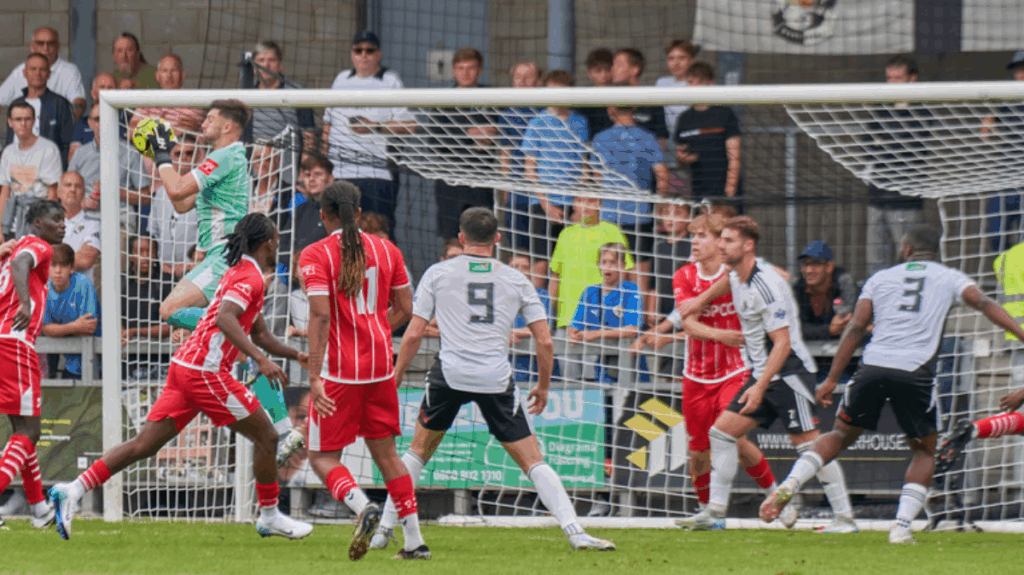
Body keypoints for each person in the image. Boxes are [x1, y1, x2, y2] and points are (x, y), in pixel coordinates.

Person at [49, 213, 312, 541]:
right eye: (276, 239)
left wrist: (295, 355)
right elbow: (226, 318)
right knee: (268, 437)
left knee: (144, 444)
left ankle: (72, 489)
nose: (278, 244)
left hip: (185, 366)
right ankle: (270, 515)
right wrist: (260, 360)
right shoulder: (250, 278)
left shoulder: (242, 272)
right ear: (268, 243)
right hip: (206, 372)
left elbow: (259, 333)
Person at [370, 207, 615, 552]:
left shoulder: (438, 273)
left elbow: (412, 334)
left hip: (450, 374)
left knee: (417, 452)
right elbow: (545, 341)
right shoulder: (516, 279)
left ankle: (383, 531)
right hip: (494, 377)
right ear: (497, 239)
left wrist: (394, 377)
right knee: (533, 460)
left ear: (462, 238)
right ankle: (576, 532)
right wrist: (543, 386)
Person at [759, 225, 1024, 544]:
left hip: (872, 367)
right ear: (936, 250)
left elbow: (855, 328)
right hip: (915, 371)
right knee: (924, 451)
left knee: (839, 435)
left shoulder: (880, 278)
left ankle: (790, 483)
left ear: (906, 248)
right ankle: (901, 526)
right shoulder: (950, 277)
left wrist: (830, 378)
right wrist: (1021, 333)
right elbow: (984, 303)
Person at [678, 216, 855, 532]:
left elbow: (782, 344)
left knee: (811, 448)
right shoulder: (738, 274)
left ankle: (844, 518)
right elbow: (727, 281)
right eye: (721, 239)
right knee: (721, 434)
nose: (721, 245)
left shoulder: (766, 285)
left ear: (748, 246)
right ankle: (714, 513)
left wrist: (759, 386)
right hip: (763, 374)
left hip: (789, 374)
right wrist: (699, 301)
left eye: (728, 240)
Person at [298, 181, 428, 560]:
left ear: (323, 216)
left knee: (322, 457)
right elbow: (406, 308)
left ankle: (362, 506)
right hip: (380, 368)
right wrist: (376, 327)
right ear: (357, 213)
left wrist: (314, 376)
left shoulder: (315, 253)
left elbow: (320, 315)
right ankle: (415, 542)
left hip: (339, 373)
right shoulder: (388, 249)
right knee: (388, 456)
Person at [150, 99, 251, 327]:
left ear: (227, 127)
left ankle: (239, 328)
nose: (203, 124)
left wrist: (161, 154)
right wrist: (161, 157)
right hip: (221, 254)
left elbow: (177, 190)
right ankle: (236, 340)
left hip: (224, 255)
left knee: (169, 309)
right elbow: (182, 204)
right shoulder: (228, 157)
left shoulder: (225, 156)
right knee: (185, 313)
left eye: (210, 119)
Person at [0, 200, 65, 529]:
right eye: (56, 219)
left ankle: (39, 509)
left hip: (3, 341)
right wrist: (25, 302)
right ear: (37, 223)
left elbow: (13, 263)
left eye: (64, 219)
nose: (63, 224)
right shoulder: (37, 246)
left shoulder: (9, 252)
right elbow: (21, 263)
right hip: (15, 344)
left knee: (22, 431)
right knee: (31, 431)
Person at [323, 32, 416, 236]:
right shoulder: (341, 79)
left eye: (369, 50)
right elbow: (327, 124)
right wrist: (326, 165)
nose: (364, 55)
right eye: (359, 50)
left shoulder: (390, 80)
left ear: (378, 54)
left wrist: (375, 127)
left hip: (376, 173)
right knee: (341, 231)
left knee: (378, 231)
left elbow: (409, 125)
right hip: (341, 173)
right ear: (352, 54)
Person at [592, 104, 671, 305]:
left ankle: (610, 317)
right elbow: (663, 175)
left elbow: (596, 178)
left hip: (609, 215)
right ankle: (638, 319)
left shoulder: (601, 139)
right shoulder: (647, 137)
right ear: (634, 107)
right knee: (639, 273)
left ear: (611, 109)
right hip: (640, 214)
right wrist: (659, 206)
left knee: (609, 269)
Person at [522, 70, 589, 278]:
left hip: (571, 203)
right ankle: (538, 300)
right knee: (541, 262)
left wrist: (579, 204)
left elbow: (584, 165)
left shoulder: (580, 123)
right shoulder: (537, 123)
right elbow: (529, 169)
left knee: (568, 264)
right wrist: (546, 205)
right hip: (543, 203)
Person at [864, 55, 927, 275]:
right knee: (876, 260)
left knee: (908, 259)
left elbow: (913, 146)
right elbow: (867, 143)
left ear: (912, 78)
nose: (892, 83)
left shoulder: (921, 110)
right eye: (889, 78)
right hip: (877, 195)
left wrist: (885, 143)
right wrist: (887, 145)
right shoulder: (881, 107)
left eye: (898, 78)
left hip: (905, 198)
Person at [432, 47, 499, 240]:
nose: (466, 73)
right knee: (453, 239)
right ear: (454, 71)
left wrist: (493, 133)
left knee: (481, 238)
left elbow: (504, 129)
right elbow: (435, 140)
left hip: (482, 180)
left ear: (480, 70)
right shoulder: (442, 102)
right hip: (450, 181)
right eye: (461, 68)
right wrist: (468, 134)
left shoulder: (494, 97)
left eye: (471, 68)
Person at [548, 195, 633, 348]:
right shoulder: (565, 234)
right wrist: (547, 312)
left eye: (591, 201)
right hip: (567, 317)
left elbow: (624, 274)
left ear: (600, 204)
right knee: (565, 363)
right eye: (580, 201)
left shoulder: (612, 232)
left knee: (594, 363)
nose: (585, 205)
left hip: (599, 319)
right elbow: (556, 276)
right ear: (574, 204)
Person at [66, 102, 152, 228]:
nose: (102, 124)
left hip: (120, 220)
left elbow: (145, 198)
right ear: (90, 123)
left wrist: (113, 191)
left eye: (107, 118)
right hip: (85, 218)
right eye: (97, 119)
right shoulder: (80, 153)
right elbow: (65, 193)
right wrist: (83, 203)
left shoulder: (131, 153)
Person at [673, 63, 742, 208]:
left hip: (723, 190)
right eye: (688, 82)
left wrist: (730, 191)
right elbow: (680, 156)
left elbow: (734, 157)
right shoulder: (685, 118)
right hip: (698, 190)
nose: (690, 86)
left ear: (709, 83)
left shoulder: (724, 113)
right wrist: (683, 158)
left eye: (694, 82)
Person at [0, 101, 61, 241]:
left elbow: (53, 194)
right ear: (10, 122)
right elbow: (5, 193)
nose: (23, 124)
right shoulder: (8, 152)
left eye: (27, 119)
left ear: (34, 121)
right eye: (18, 119)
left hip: (38, 223)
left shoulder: (48, 149)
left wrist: (44, 230)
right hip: (11, 223)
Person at [4, 52, 75, 171]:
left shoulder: (60, 104)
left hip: (48, 173)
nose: (37, 73)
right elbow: (9, 142)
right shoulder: (15, 104)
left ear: (49, 74)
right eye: (33, 69)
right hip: (16, 172)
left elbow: (67, 144)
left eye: (42, 69)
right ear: (24, 73)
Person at [0, 27, 86, 121]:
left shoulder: (69, 71)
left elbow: (79, 102)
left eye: (50, 43)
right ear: (32, 47)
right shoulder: (20, 71)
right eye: (40, 43)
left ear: (58, 47)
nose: (45, 48)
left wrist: (65, 125)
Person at [41, 243, 100, 379]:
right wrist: (75, 326)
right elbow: (45, 329)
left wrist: (57, 330)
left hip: (98, 359)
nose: (58, 271)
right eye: (53, 265)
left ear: (72, 268)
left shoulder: (84, 284)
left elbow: (88, 329)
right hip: (71, 363)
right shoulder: (44, 288)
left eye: (63, 265)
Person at [148, 139, 199, 279]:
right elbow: (154, 231)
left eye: (189, 153)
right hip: (165, 270)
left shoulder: (204, 191)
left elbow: (207, 233)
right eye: (178, 153)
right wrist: (160, 262)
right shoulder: (161, 192)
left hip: (194, 269)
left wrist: (188, 262)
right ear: (171, 157)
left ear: (197, 156)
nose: (184, 157)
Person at [792, 241, 857, 341]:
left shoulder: (844, 284)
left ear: (829, 267)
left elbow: (853, 323)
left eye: (816, 264)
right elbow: (793, 328)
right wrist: (828, 330)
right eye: (805, 264)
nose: (808, 270)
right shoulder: (798, 287)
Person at [128, 54, 206, 135]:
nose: (169, 76)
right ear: (157, 76)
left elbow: (186, 132)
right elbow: (131, 131)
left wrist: (149, 129)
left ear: (183, 74)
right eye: (164, 71)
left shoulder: (193, 102)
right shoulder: (147, 100)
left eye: (174, 70)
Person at [611, 48, 668, 143]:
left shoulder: (653, 101)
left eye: (619, 64)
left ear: (635, 70)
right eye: (613, 64)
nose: (613, 68)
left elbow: (661, 141)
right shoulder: (608, 99)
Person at [55, 171, 100, 281]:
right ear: (58, 192)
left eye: (78, 186)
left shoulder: (94, 225)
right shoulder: (48, 224)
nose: (73, 189)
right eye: (68, 185)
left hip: (80, 290)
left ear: (84, 193)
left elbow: (85, 260)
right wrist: (73, 256)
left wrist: (48, 259)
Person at [290, 155, 334, 254]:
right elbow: (285, 242)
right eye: (307, 175)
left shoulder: (338, 209)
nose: (311, 179)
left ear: (330, 179)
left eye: (318, 174)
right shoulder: (300, 210)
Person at [655, 40, 700, 139]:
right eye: (671, 58)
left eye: (682, 58)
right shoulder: (661, 83)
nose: (676, 63)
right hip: (665, 142)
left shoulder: (698, 85)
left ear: (692, 61)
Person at [68, 73, 116, 161]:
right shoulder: (82, 124)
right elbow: (73, 159)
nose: (106, 91)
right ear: (93, 93)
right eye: (102, 87)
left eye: (110, 88)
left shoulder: (127, 121)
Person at [577, 48, 615, 139]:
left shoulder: (623, 96)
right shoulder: (582, 100)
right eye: (598, 71)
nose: (604, 75)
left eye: (608, 69)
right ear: (589, 74)